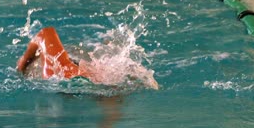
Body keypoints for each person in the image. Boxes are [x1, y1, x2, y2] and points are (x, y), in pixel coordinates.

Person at [17, 27, 159, 89]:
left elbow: (46, 32)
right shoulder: (60, 73)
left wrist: (22, 65)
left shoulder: (56, 71)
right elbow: (45, 32)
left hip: (72, 67)